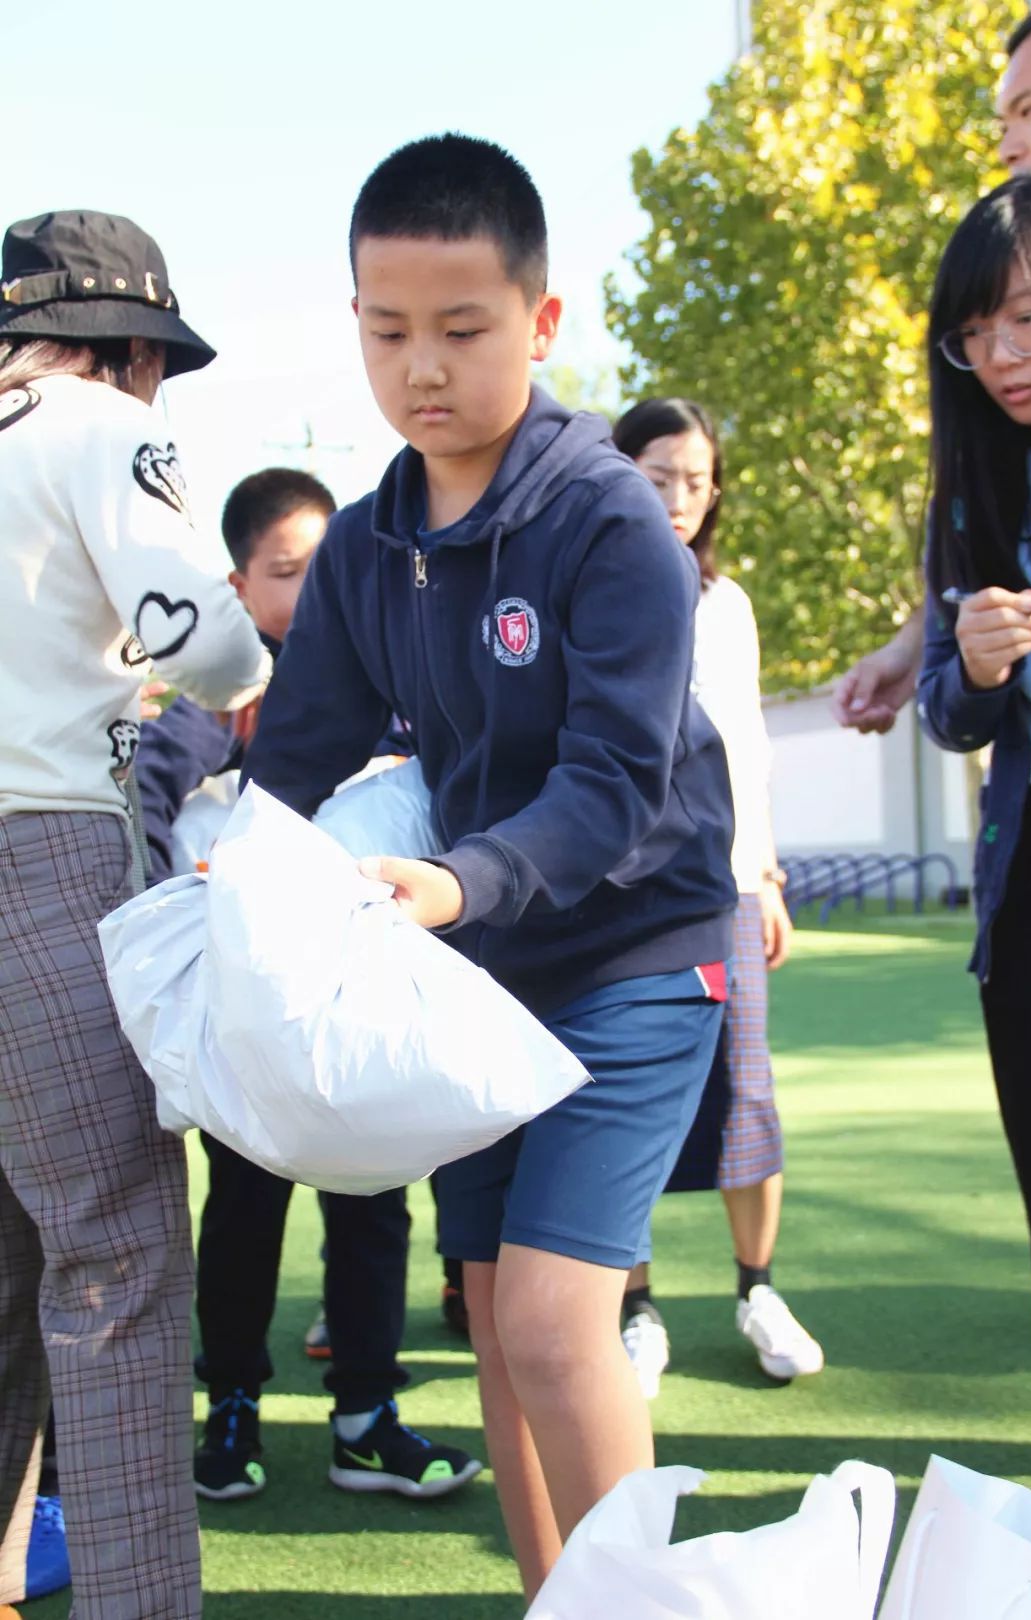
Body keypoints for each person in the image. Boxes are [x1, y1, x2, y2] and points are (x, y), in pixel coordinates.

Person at [241, 133, 737, 1601]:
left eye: (462, 329)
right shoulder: (366, 541)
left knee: (551, 1323)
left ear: (542, 322)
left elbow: (609, 786)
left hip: (642, 954)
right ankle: (558, 1595)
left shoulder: (610, 526)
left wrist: (456, 885)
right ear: (355, 327)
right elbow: (296, 755)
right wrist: (225, 871)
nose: (423, 367)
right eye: (388, 331)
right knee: (491, 1317)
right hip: (480, 975)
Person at [0, 210, 270, 1617]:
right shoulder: (95, 426)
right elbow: (213, 645)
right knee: (112, 1273)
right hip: (40, 855)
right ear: (127, 347)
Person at [136, 467, 481, 1502]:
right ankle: (231, 1402)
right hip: (257, 1010)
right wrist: (182, 906)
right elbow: (149, 790)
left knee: (375, 1198)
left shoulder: (391, 675)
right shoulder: (223, 701)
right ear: (239, 589)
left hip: (364, 996)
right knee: (244, 1203)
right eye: (290, 570)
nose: (317, 584)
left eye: (332, 561)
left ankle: (367, 1414)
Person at [917, 167, 1031, 1512]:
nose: (1006, 352)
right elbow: (944, 709)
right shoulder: (974, 486)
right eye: (978, 330)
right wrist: (972, 666)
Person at [612, 399, 823, 1397]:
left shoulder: (726, 603)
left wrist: (767, 872)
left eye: (699, 480)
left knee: (747, 1088)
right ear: (623, 476)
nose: (683, 498)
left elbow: (747, 746)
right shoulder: (597, 588)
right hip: (621, 889)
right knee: (629, 1095)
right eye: (661, 477)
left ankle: (758, 1289)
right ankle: (635, 1309)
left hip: (728, 882)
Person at [833, 0, 1031, 735]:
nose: (1010, 145)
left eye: (1030, 110)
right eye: (977, 331)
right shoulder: (987, 459)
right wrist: (934, 648)